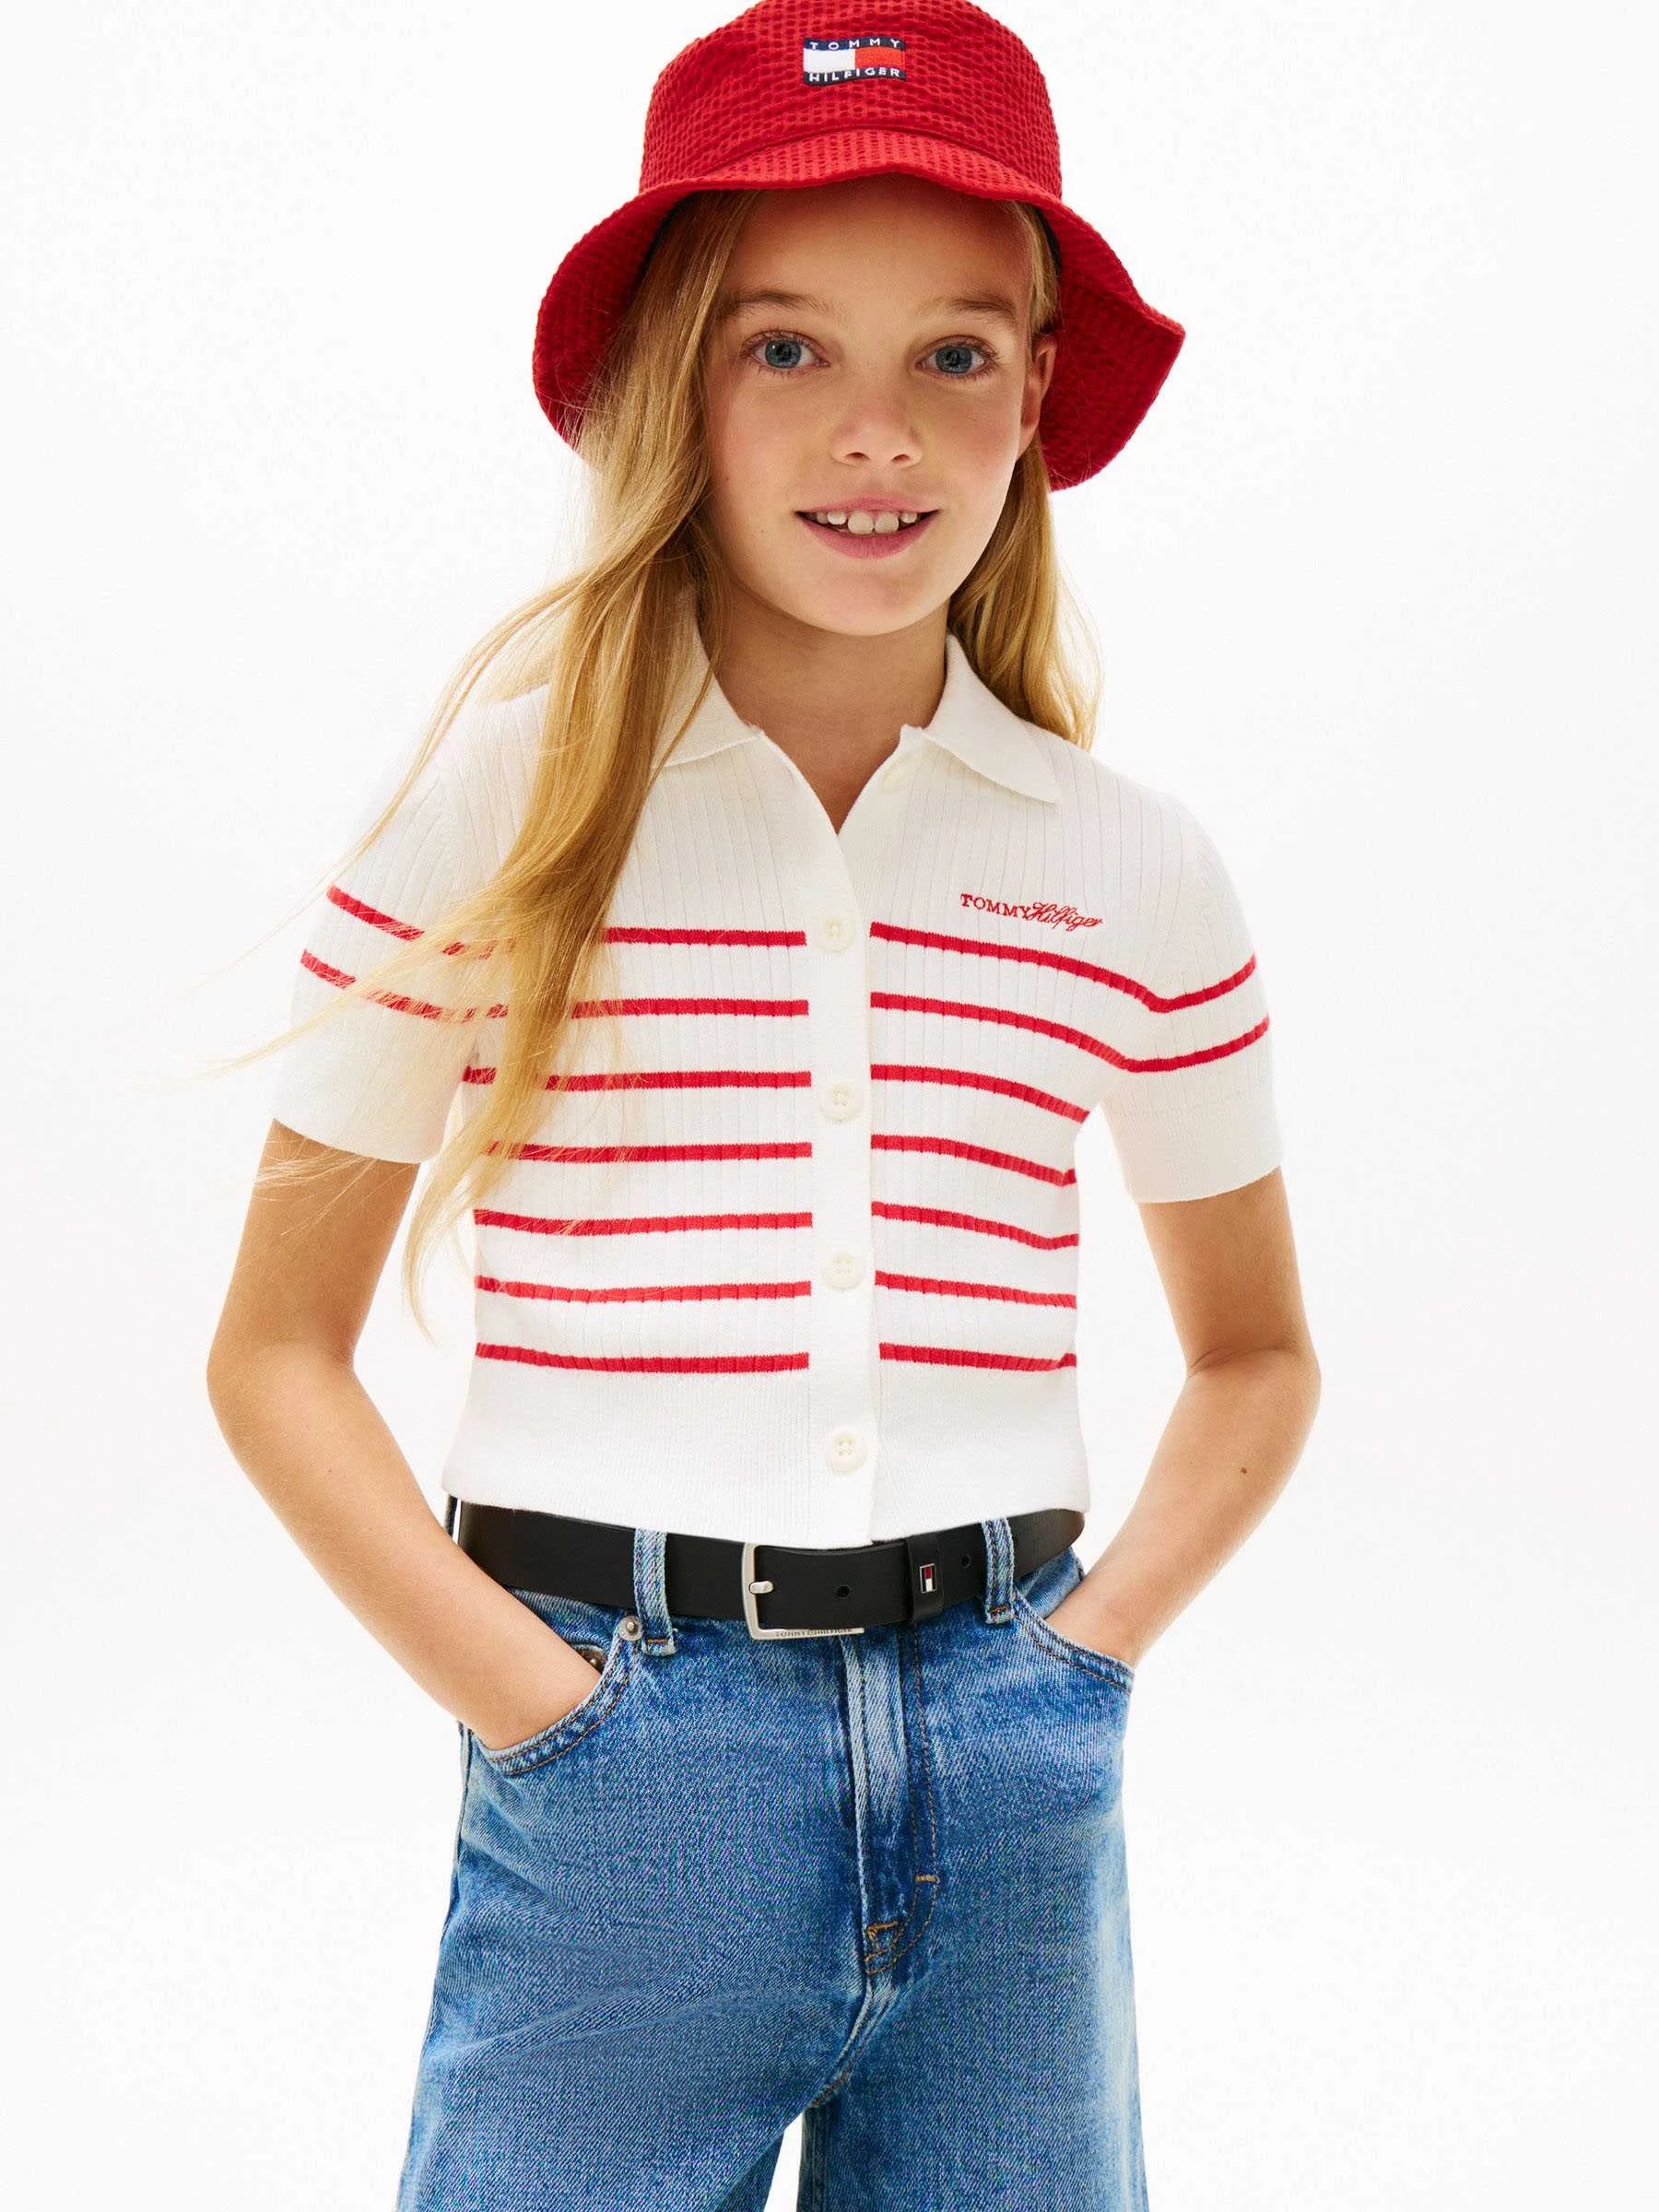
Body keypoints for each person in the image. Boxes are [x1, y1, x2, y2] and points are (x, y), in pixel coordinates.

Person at [206, 2, 1321, 2205]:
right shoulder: (507, 811)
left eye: (954, 353)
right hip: (622, 1766)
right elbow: (272, 1354)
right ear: (673, 383)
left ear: (1039, 395)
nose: (875, 433)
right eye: (785, 347)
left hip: (1012, 1758)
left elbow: (1258, 1356)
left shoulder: (1129, 863)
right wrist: (543, 1712)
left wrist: (1080, 1669)